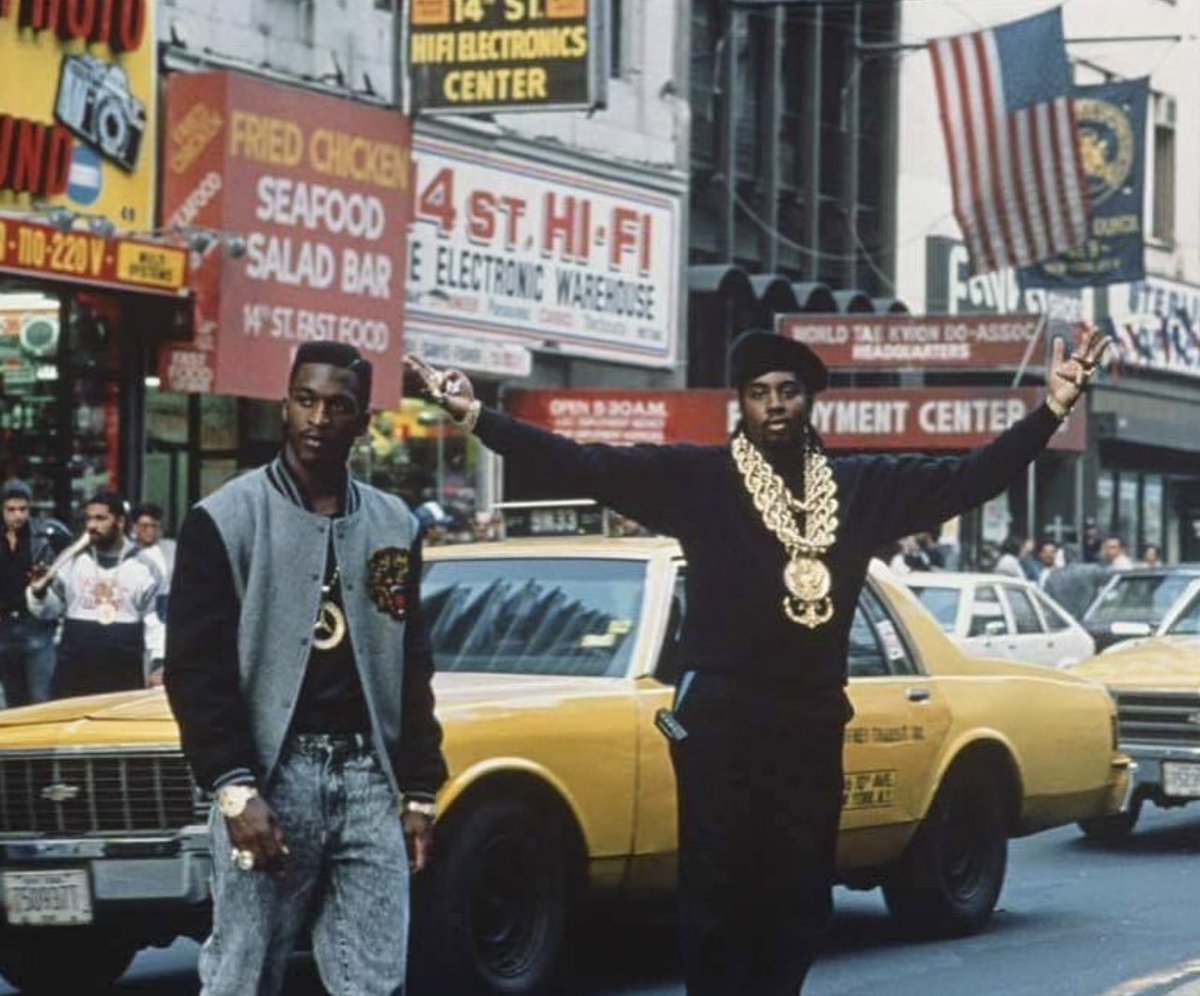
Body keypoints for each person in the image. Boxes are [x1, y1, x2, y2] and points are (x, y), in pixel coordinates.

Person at [404, 324, 1110, 995]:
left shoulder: (862, 487)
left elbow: (971, 478)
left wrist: (1050, 409)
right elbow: (587, 463)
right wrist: (475, 417)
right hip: (720, 723)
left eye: (788, 391)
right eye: (759, 392)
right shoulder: (700, 480)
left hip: (810, 724)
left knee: (799, 900)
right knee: (719, 901)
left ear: (808, 400)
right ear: (740, 403)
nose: (774, 406)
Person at [164, 342, 447, 996]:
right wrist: (234, 787)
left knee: (375, 981)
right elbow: (194, 668)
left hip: (368, 778)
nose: (320, 417)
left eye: (339, 406)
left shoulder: (391, 523)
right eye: (306, 400)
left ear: (364, 422)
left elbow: (411, 661)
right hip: (270, 775)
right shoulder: (225, 519)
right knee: (243, 975)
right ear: (284, 406)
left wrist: (419, 789)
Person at [26, 492, 164, 698]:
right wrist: (39, 591)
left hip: (122, 673)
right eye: (88, 519)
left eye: (101, 518)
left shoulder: (145, 567)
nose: (92, 525)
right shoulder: (70, 560)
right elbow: (49, 612)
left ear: (119, 522)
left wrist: (158, 664)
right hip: (73, 669)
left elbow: (157, 623)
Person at [0, 480, 58, 706]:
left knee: (41, 698)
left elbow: (56, 582)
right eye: (12, 510)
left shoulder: (42, 538)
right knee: (11, 702)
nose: (18, 516)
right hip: (3, 625)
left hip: (34, 625)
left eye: (23, 509)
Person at [131, 503, 175, 685]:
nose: (149, 531)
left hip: (169, 616)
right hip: (142, 618)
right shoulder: (129, 553)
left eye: (154, 526)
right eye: (144, 526)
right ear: (134, 528)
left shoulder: (173, 549)